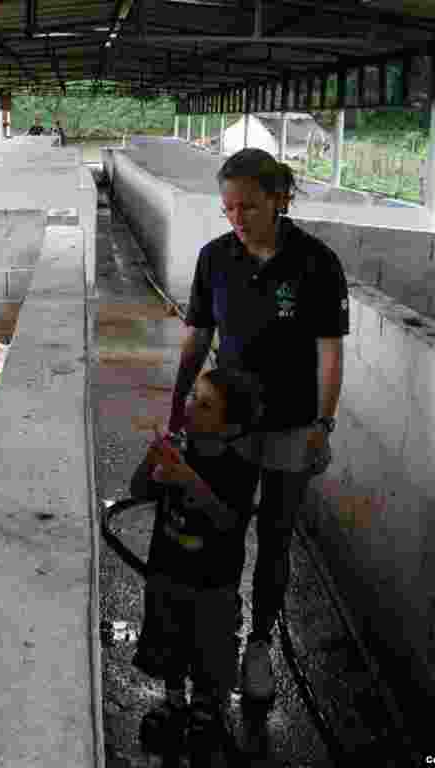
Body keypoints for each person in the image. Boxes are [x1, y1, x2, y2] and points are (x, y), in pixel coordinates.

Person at [168, 147, 349, 709]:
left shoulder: (316, 263)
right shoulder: (214, 259)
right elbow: (197, 337)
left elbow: (329, 354)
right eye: (228, 208)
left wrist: (323, 423)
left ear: (279, 199)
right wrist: (179, 407)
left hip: (293, 425)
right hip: (226, 425)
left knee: (275, 536)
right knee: (219, 529)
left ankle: (260, 644)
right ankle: (219, 632)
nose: (237, 218)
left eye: (248, 206)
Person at [130, 367, 264, 767]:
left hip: (213, 586)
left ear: (231, 426)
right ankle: (174, 703)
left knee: (210, 652)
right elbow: (140, 490)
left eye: (205, 406)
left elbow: (227, 521)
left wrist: (189, 479)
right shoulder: (178, 449)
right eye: (192, 398)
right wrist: (150, 461)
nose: (190, 408)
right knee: (168, 642)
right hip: (167, 575)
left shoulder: (238, 467)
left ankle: (206, 709)